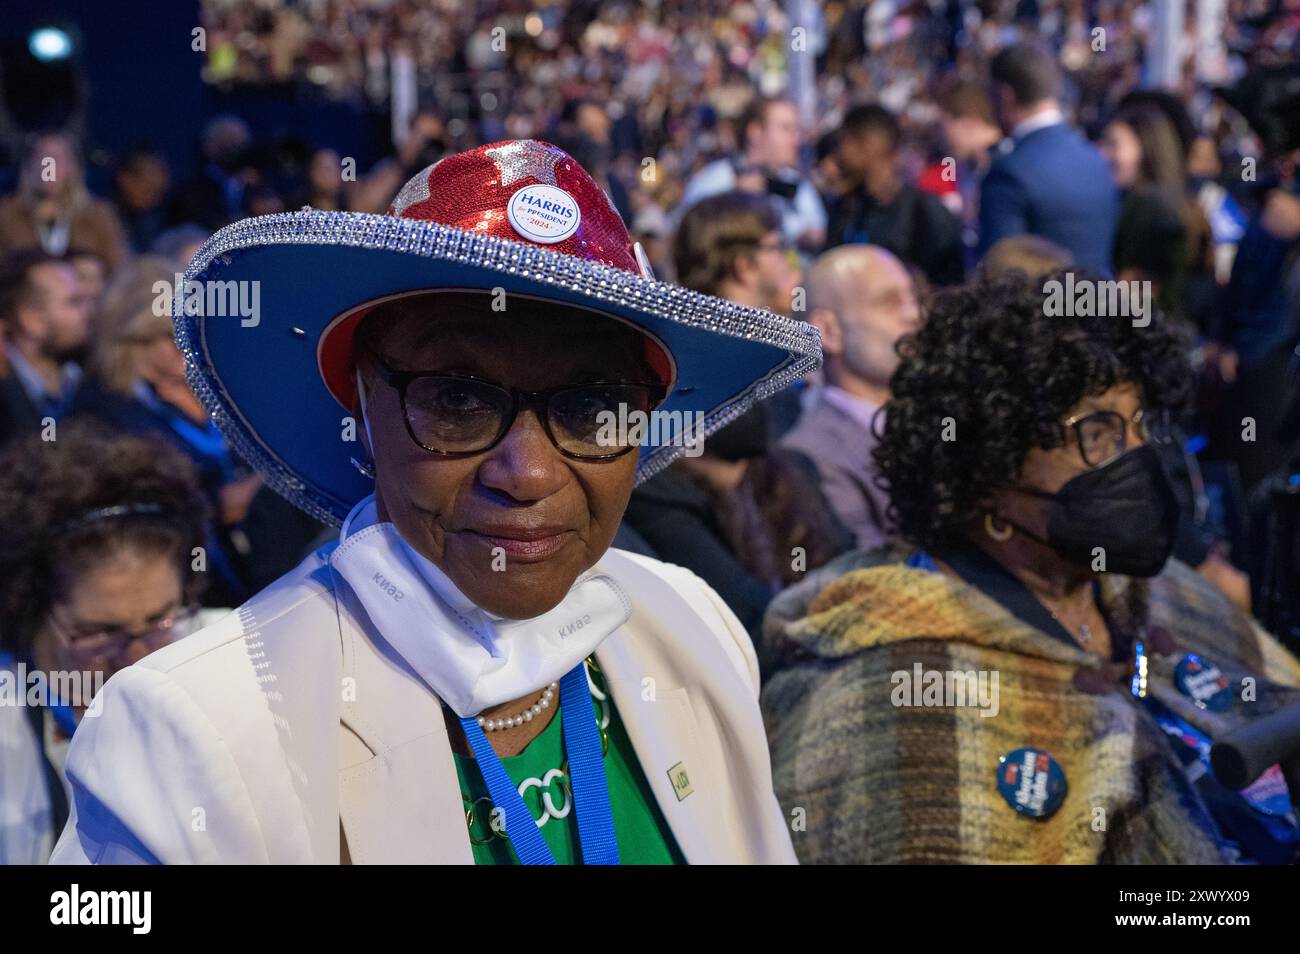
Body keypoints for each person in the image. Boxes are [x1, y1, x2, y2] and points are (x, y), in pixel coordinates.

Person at [50, 139, 814, 865]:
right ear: (362, 398)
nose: (527, 473)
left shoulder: (692, 628)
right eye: (457, 399)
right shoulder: (196, 727)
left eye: (591, 405)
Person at [762, 270, 1300, 864]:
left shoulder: (1159, 593)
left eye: (1143, 424)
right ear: (987, 468)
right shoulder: (883, 696)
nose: (1137, 459)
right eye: (1097, 433)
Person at [626, 192, 851, 642]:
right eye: (780, 248)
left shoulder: (773, 355)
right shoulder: (712, 370)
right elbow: (754, 432)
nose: (794, 264)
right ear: (745, 266)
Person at [0, 424, 221, 864]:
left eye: (160, 618)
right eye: (102, 632)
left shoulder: (224, 653)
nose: (137, 657)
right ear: (29, 606)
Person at [780, 245, 920, 548]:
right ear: (828, 331)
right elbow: (870, 581)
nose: (913, 315)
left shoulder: (938, 418)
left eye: (913, 298)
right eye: (889, 302)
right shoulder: (809, 457)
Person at [978, 43, 1119, 272]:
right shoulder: (1096, 160)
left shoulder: (1008, 172)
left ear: (1005, 95)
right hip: (1100, 304)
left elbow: (999, 275)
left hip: (1043, 305)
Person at [827, 104, 964, 286]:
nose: (839, 155)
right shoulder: (846, 210)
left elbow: (950, 284)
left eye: (843, 143)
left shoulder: (924, 213)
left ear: (866, 145)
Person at [677, 97, 827, 253]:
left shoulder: (797, 185)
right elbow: (689, 233)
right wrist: (734, 197)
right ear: (755, 131)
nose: (796, 140)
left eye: (797, 130)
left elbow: (817, 234)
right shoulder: (716, 180)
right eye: (786, 129)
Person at [0, 250, 92, 448]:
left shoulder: (87, 384)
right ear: (30, 320)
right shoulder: (6, 403)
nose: (88, 313)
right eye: (74, 302)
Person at [0, 132, 128, 272]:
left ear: (72, 167)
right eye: (42, 156)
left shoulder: (98, 215)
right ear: (29, 166)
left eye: (57, 158)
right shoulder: (6, 214)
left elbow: (119, 269)